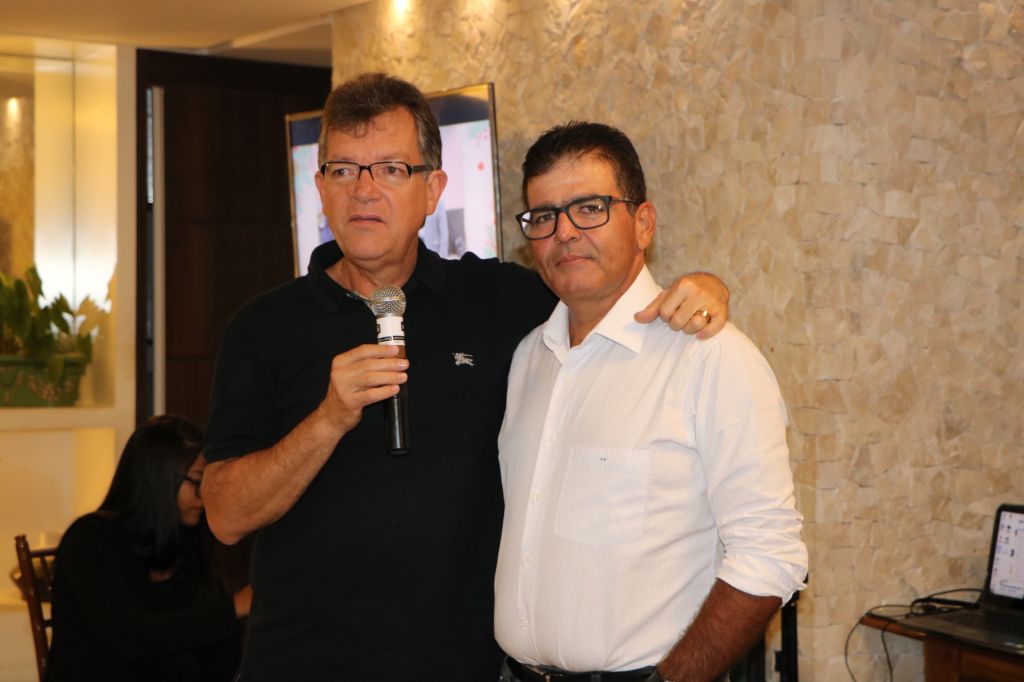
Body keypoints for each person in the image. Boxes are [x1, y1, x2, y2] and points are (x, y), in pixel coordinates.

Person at [200, 73, 731, 682]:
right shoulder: (262, 327)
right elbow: (225, 516)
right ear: (320, 187)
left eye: (391, 169)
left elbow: (601, 292)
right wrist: (328, 420)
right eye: (343, 170)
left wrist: (706, 287)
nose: (364, 190)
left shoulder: (497, 300)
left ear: (433, 189)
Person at [494, 122, 808, 682]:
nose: (564, 233)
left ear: (643, 223)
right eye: (544, 216)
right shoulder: (527, 358)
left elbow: (770, 556)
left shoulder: (709, 357)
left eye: (589, 208)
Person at [46, 415, 252, 682]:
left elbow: (218, 649)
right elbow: (134, 637)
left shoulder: (189, 539)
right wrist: (234, 606)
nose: (204, 494)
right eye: (197, 481)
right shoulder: (90, 540)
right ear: (157, 478)